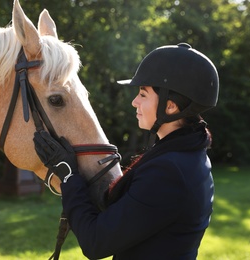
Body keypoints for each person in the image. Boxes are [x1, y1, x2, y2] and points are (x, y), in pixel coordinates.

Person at [33, 43, 219, 259]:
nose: (134, 102)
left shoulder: (168, 172)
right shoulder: (188, 156)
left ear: (170, 107)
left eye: (143, 94)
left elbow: (96, 242)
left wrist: (68, 175)